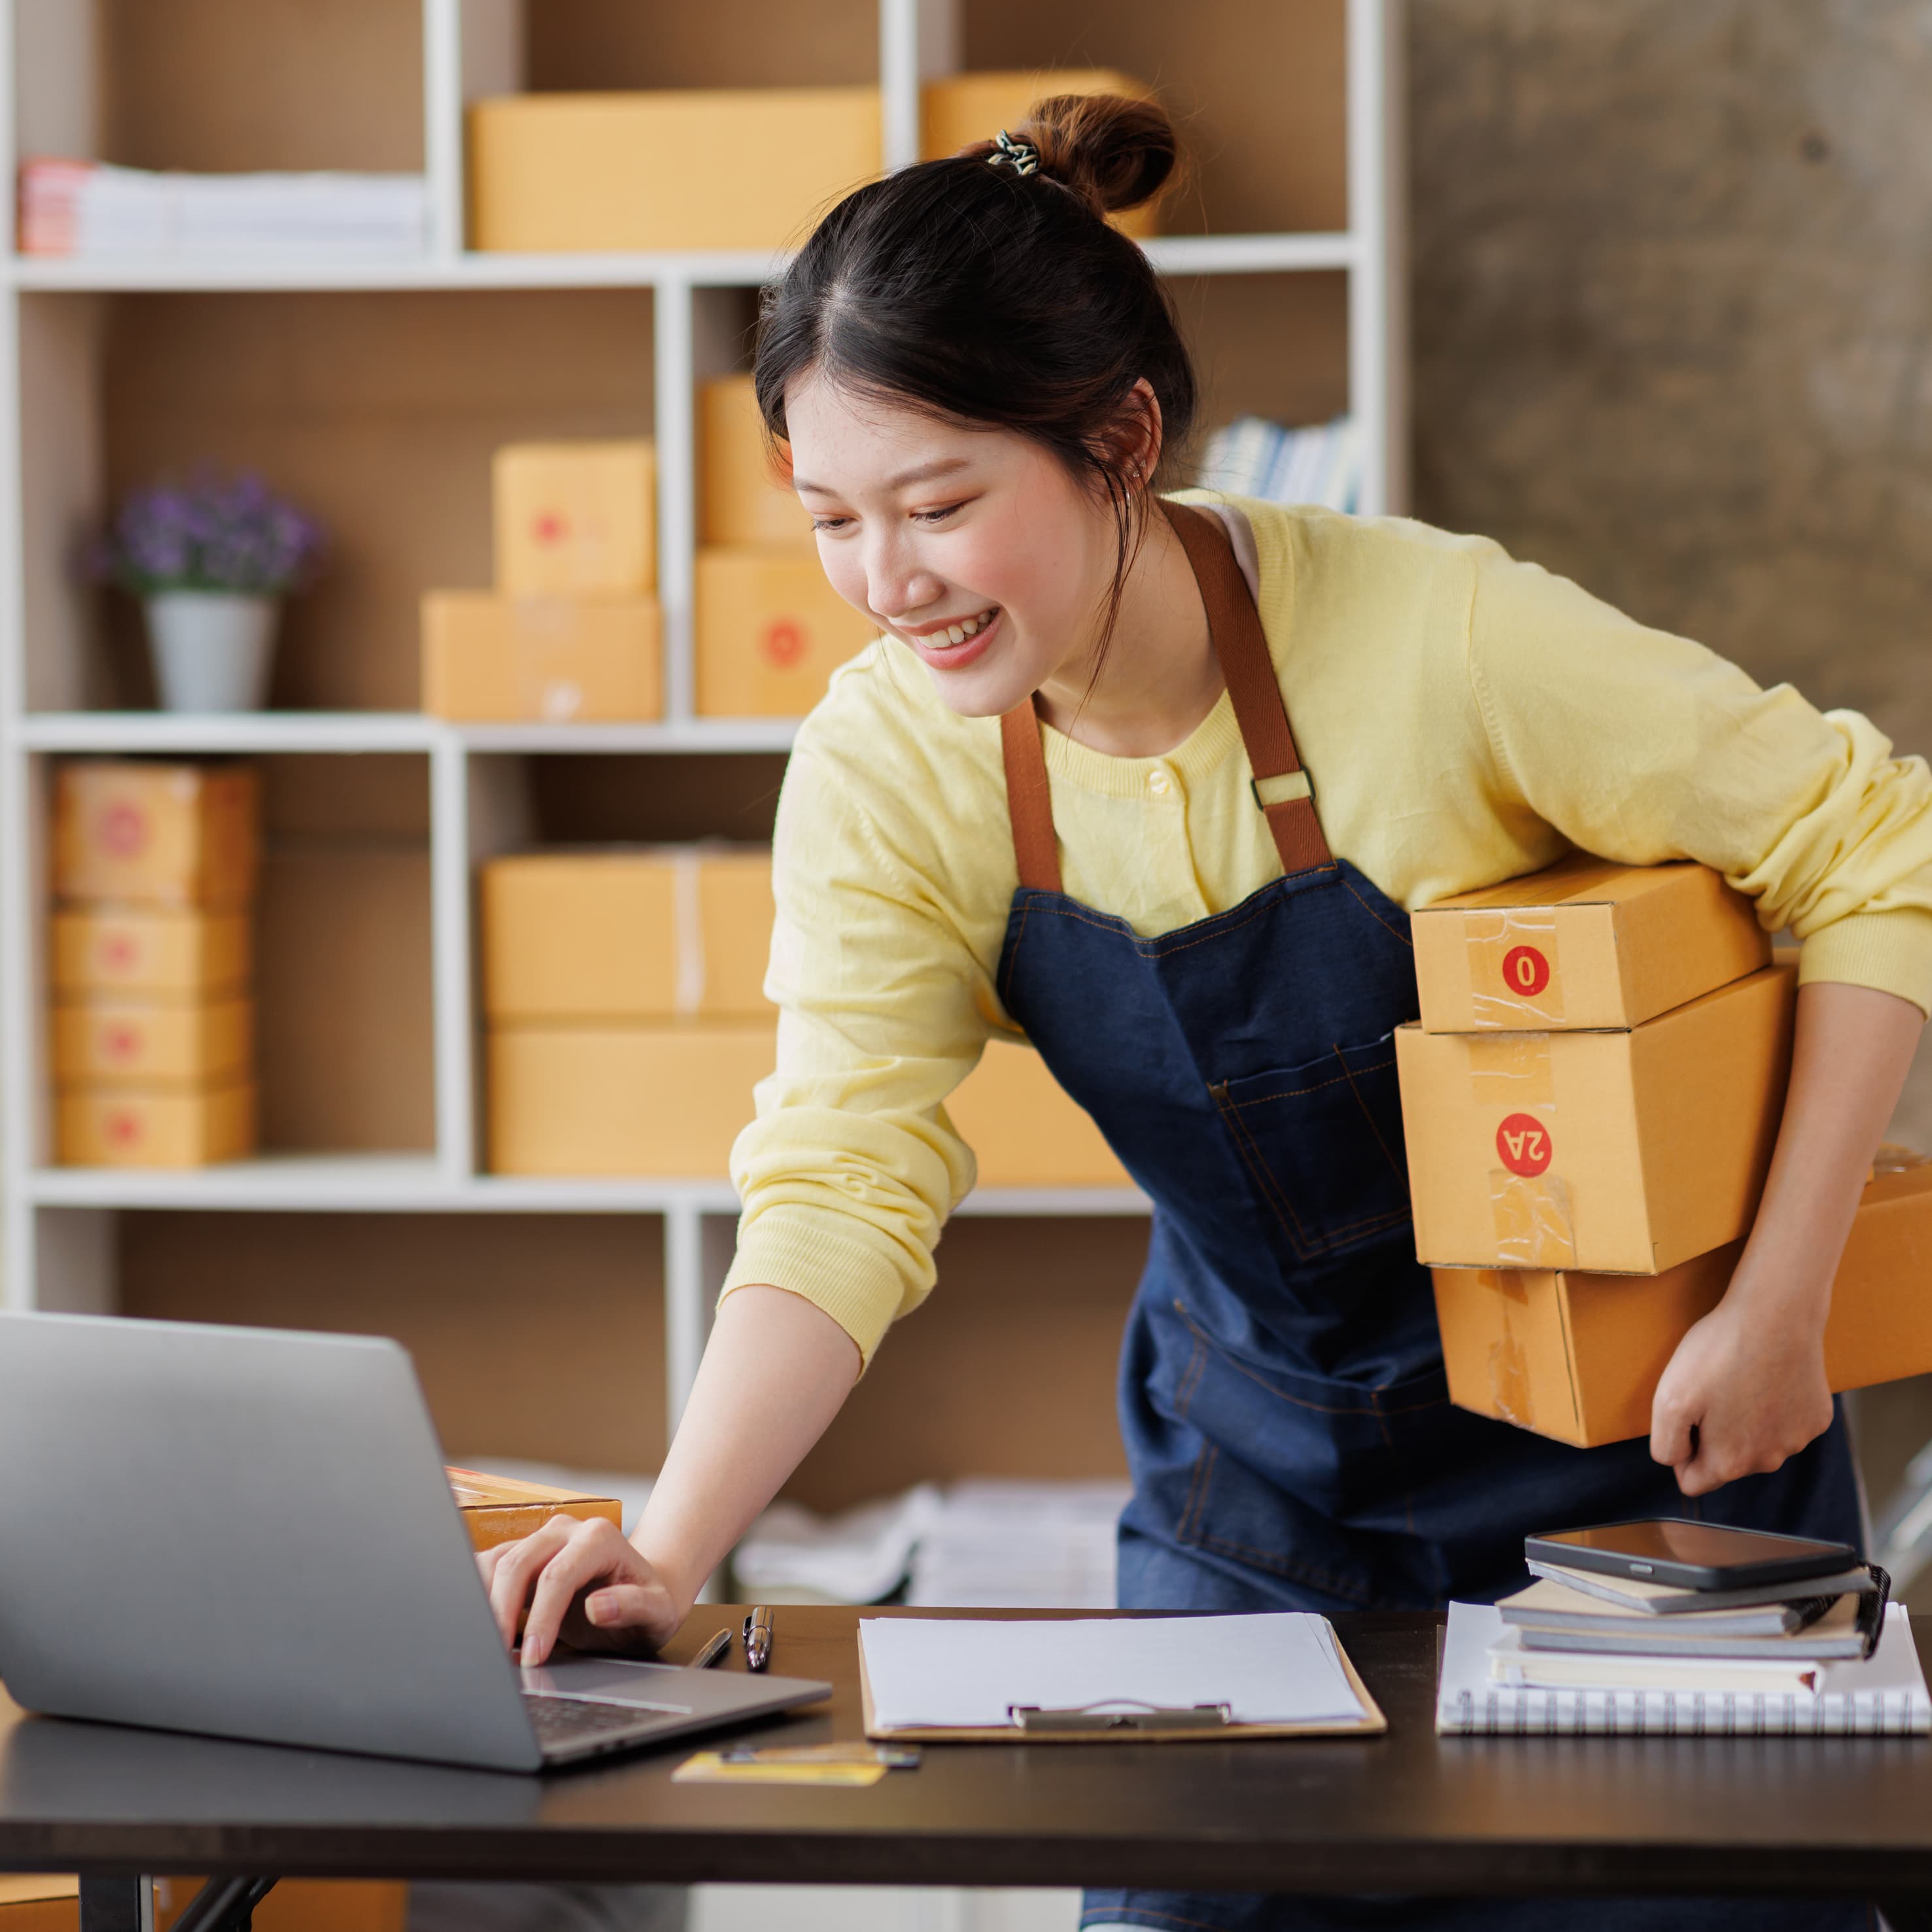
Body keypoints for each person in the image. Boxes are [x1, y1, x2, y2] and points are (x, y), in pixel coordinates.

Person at [480, 95, 1930, 1931]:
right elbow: (844, 1175)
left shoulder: (1437, 645)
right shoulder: (886, 767)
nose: (885, 582)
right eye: (831, 517)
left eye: (938, 506)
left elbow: (1872, 845)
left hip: (1657, 1471)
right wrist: (672, 1543)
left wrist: (1778, 1300)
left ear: (1123, 441)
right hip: (1256, 1505)